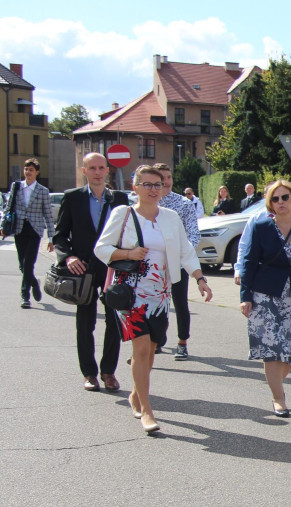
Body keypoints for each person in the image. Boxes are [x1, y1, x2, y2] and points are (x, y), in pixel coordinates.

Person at [94, 165, 213, 434]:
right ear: (135, 187)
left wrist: (200, 278)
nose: (152, 189)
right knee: (142, 349)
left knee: (152, 349)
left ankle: (137, 393)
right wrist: (127, 254)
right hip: (129, 294)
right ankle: (147, 410)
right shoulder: (122, 214)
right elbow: (101, 248)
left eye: (157, 185)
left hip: (160, 295)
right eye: (146, 184)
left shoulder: (170, 217)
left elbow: (185, 251)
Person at [238, 179, 291, 418]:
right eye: (275, 198)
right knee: (271, 349)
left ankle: (275, 382)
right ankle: (278, 398)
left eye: (285, 197)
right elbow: (249, 262)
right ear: (270, 203)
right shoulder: (261, 226)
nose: (281, 202)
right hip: (265, 295)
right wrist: (245, 296)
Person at [53, 152, 130, 391]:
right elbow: (59, 235)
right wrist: (68, 257)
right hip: (83, 269)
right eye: (92, 168)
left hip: (112, 268)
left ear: (108, 171)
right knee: (85, 322)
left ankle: (108, 372)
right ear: (84, 171)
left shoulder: (119, 198)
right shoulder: (72, 198)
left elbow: (128, 233)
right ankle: (89, 373)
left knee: (114, 321)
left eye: (101, 168)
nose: (97, 172)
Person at [154, 163, 199, 360]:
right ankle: (156, 339)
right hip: (153, 265)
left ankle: (182, 342)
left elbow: (194, 235)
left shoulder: (183, 204)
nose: (166, 182)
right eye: (161, 179)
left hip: (178, 264)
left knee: (180, 304)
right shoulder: (148, 203)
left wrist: (180, 253)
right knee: (155, 303)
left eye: (169, 177)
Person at [3, 158, 54, 308]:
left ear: (37, 172)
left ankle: (24, 296)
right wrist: (3, 225)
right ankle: (34, 283)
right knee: (22, 265)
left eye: (31, 170)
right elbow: (9, 206)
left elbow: (48, 214)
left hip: (35, 230)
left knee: (28, 263)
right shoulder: (17, 186)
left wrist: (51, 238)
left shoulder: (42, 191)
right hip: (19, 228)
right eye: (26, 169)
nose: (28, 172)